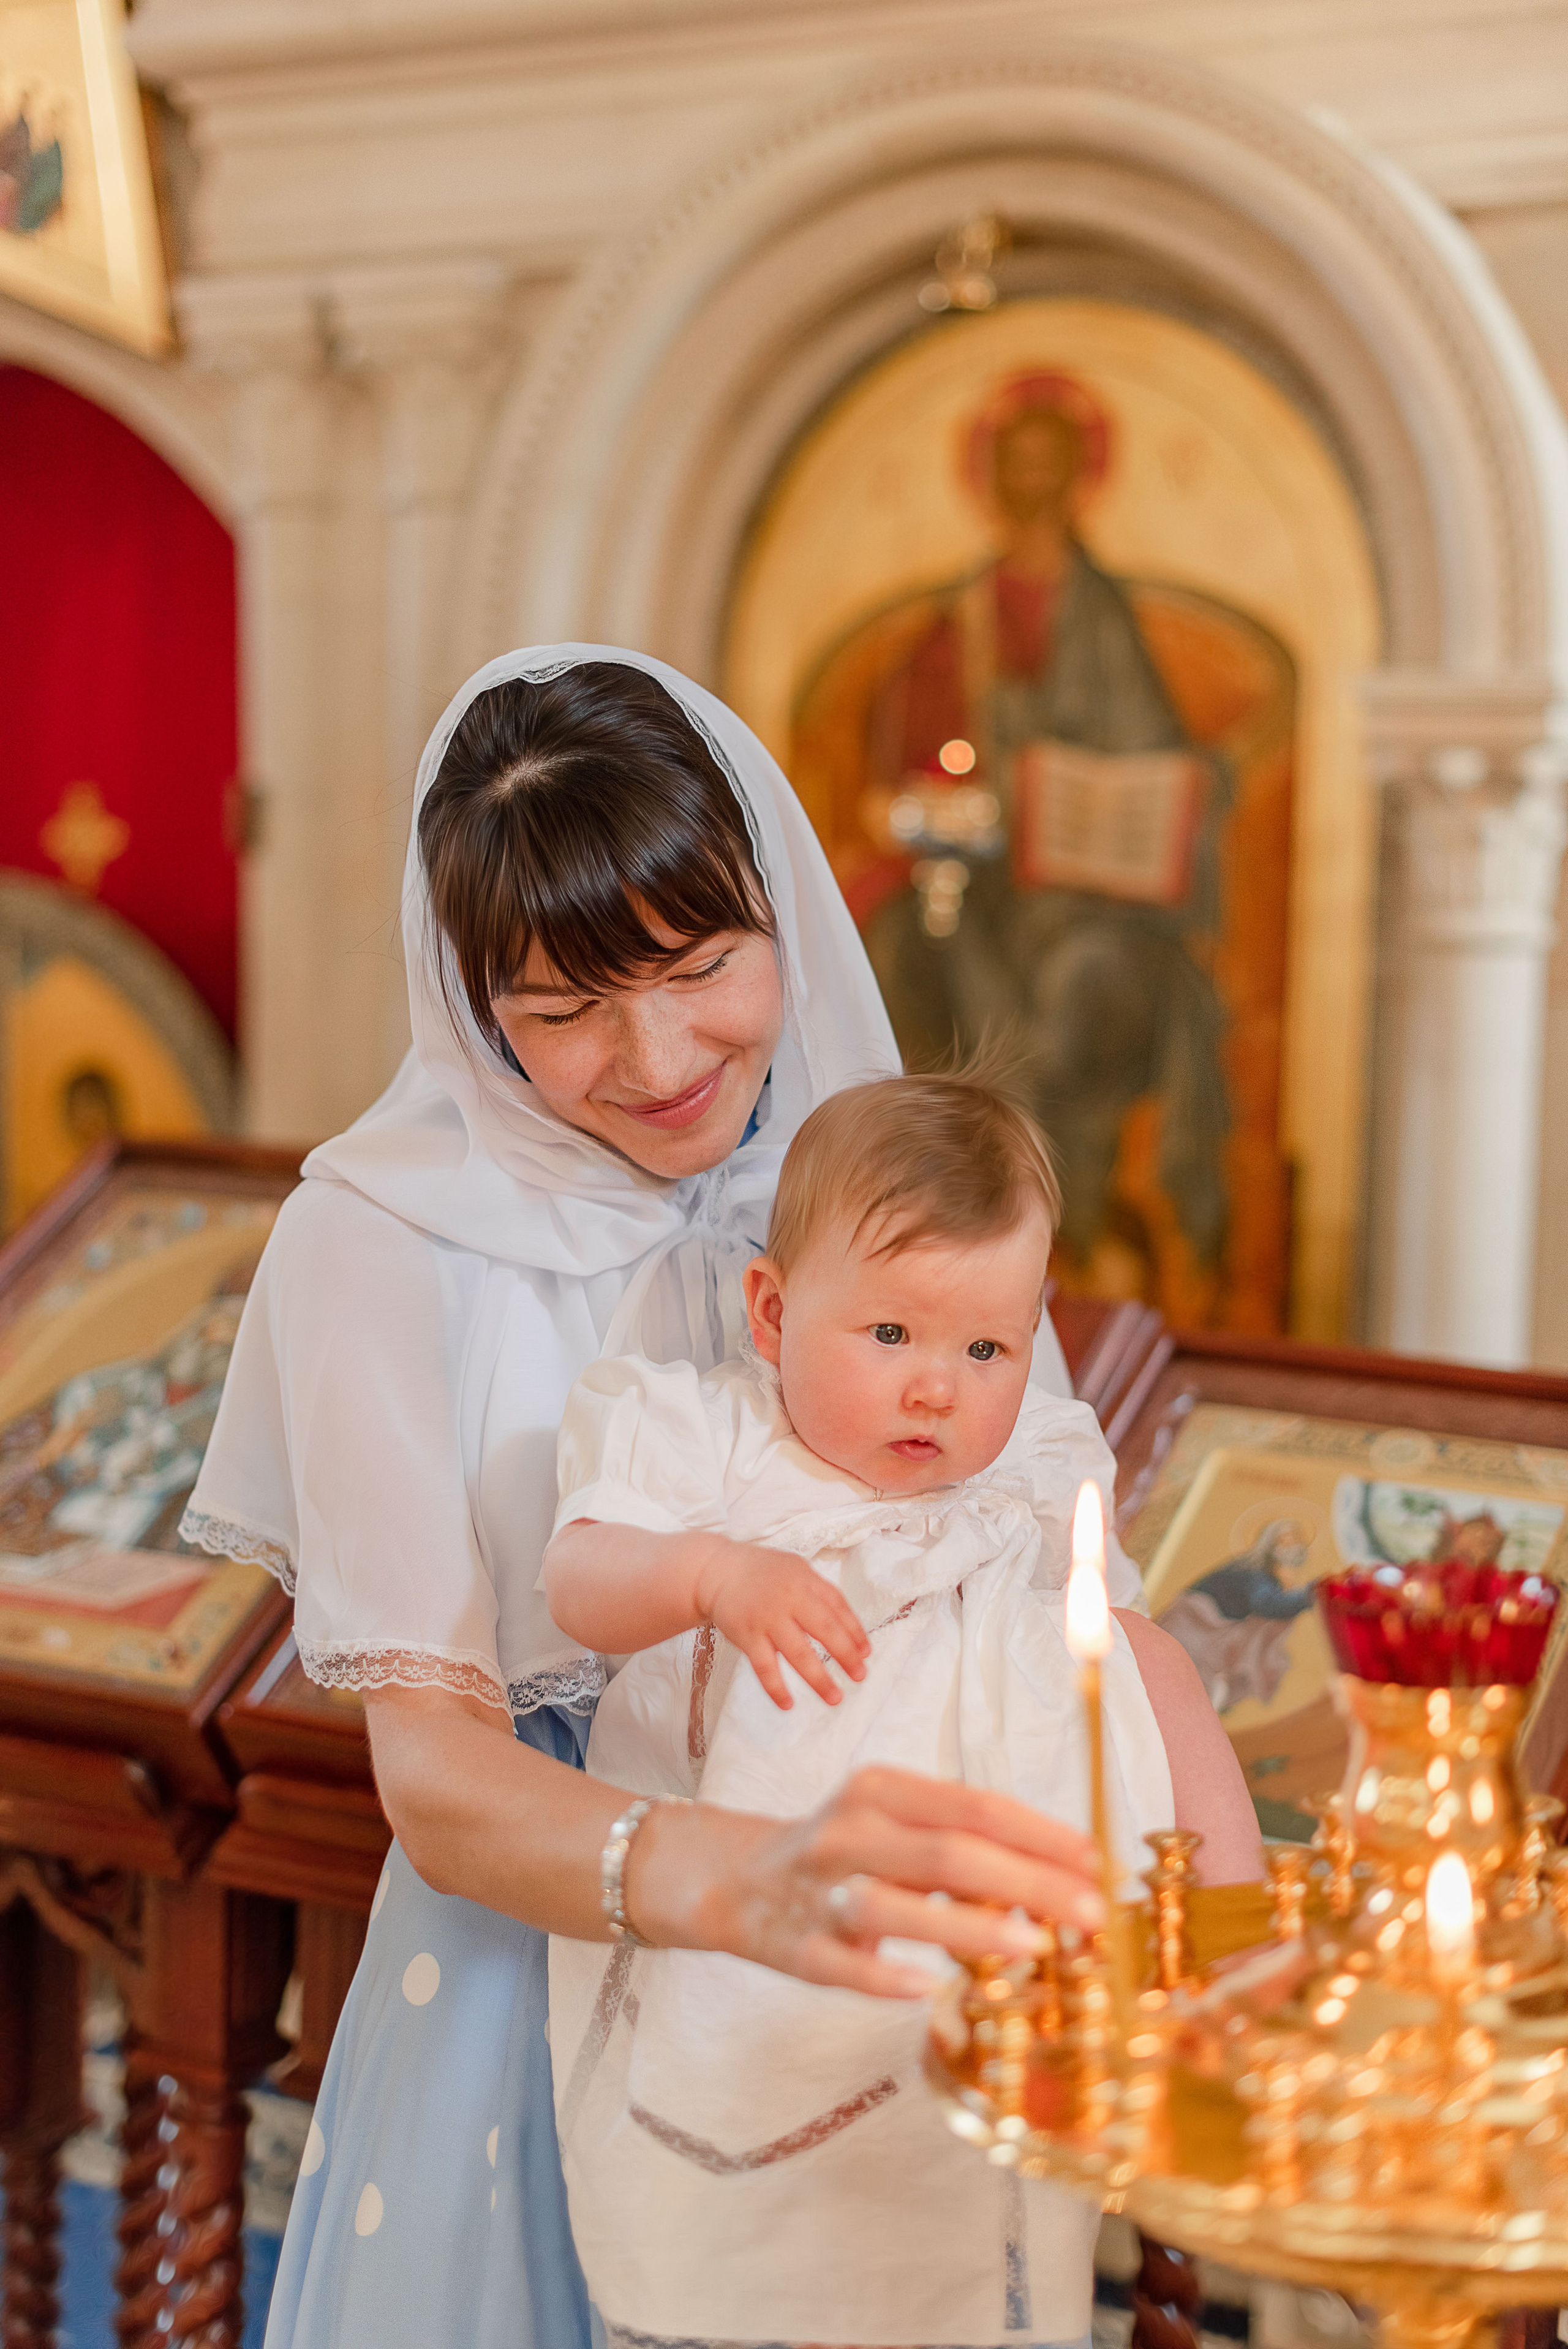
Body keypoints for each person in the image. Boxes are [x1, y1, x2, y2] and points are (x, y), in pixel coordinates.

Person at [181, 649, 1134, 2349]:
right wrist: (736, 1877)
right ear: (475, 1004)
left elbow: (1058, 1574)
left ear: (778, 906)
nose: (661, 1054)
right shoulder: (376, 1243)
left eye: (703, 968)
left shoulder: (875, 1180)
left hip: (879, 1977)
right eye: (563, 1012)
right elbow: (442, 1776)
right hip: (551, 1959)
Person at [543, 1069, 1260, 2348]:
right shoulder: (708, 1438)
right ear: (770, 1313)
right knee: (750, 2239)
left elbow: (1115, 1673)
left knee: (1152, 1658)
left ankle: (1233, 1945)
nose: (937, 1387)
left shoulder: (1031, 1476)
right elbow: (577, 1583)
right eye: (889, 1338)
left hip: (976, 1960)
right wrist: (712, 1575)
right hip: (768, 1920)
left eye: (985, 1348)